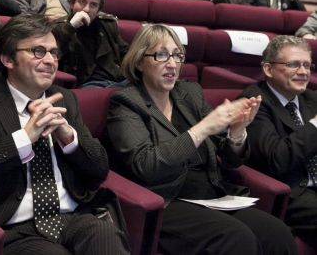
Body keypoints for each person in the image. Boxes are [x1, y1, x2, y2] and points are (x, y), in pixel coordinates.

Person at [0, 13, 130, 255]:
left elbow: (99, 169)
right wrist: (24, 138)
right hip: (15, 225)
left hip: (73, 217)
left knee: (105, 236)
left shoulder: (65, 99)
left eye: (53, 52)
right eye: (38, 51)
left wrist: (69, 138)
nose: (50, 60)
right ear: (8, 59)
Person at [106, 23, 297, 255]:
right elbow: (146, 165)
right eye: (162, 54)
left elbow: (230, 160)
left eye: (177, 55)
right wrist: (203, 128)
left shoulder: (189, 94)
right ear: (138, 61)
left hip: (210, 194)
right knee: (237, 239)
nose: (172, 64)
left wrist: (237, 134)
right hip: (167, 200)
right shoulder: (126, 103)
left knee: (277, 233)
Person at [241, 35, 317, 248]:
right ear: (268, 69)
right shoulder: (254, 102)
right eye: (293, 64)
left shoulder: (311, 99)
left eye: (307, 65)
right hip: (293, 192)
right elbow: (277, 160)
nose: (303, 72)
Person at [53, 0, 128, 88]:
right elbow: (53, 57)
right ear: (72, 3)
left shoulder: (107, 24)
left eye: (93, 5)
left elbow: (125, 53)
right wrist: (70, 28)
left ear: (98, 9)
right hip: (85, 83)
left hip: (115, 80)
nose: (86, 9)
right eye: (82, 2)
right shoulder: (59, 27)